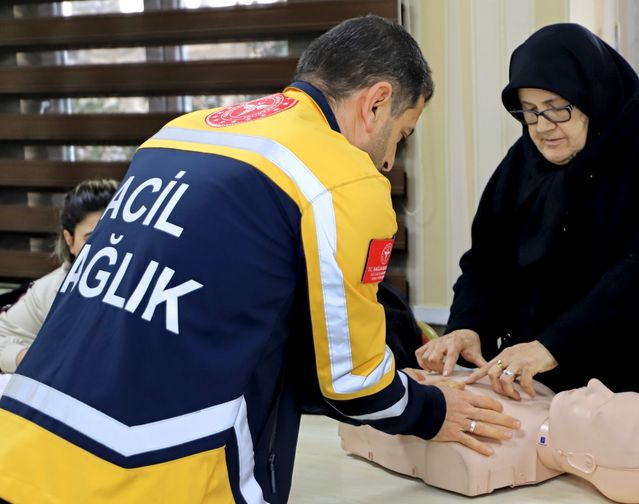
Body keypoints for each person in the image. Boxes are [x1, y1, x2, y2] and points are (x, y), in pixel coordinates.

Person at [0, 16, 520, 504]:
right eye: (402, 135)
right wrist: (434, 411)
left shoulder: (179, 133)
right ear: (377, 102)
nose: (388, 160)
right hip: (149, 468)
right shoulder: (344, 179)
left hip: (24, 445)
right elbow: (351, 381)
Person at [415, 23, 639, 450]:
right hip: (567, 397)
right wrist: (469, 325)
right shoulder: (524, 162)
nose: (542, 127)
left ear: (592, 95)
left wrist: (552, 344)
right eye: (529, 111)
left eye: (558, 107)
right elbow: (488, 261)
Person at [340, 371, 639, 504]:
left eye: (598, 409)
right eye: (610, 392)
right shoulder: (544, 392)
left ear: (582, 462)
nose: (594, 385)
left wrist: (405, 399)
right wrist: (401, 385)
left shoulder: (480, 456)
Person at [0, 178, 118, 373]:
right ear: (70, 240)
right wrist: (36, 360)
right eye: (92, 239)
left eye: (115, 235)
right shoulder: (50, 289)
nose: (107, 250)